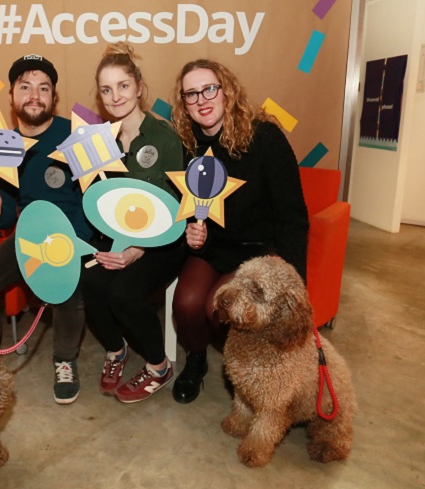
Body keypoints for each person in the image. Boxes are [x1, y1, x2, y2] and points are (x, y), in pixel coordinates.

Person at [169, 59, 309, 404]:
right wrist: (191, 231)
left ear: (227, 91)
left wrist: (294, 280)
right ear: (183, 104)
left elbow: (292, 214)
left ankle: (248, 365)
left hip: (258, 250)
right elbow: (185, 207)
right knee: (186, 304)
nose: (202, 99)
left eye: (209, 89)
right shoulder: (187, 146)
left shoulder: (265, 137)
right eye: (191, 94)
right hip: (212, 248)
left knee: (215, 308)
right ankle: (197, 360)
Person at [0, 54, 92, 405]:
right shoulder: (3, 147)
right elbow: (7, 219)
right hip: (29, 236)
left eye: (43, 88)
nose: (34, 95)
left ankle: (65, 360)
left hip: (73, 235)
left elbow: (93, 197)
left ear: (54, 97)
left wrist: (74, 245)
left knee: (66, 290)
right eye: (25, 87)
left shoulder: (73, 136)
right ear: (12, 96)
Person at [80, 43, 185, 404]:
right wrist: (112, 247)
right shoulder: (99, 142)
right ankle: (116, 350)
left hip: (166, 240)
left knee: (123, 293)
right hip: (118, 237)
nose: (115, 96)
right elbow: (101, 202)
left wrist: (137, 251)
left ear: (139, 87)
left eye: (123, 86)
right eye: (106, 89)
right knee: (89, 280)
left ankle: (158, 366)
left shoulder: (164, 137)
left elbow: (174, 207)